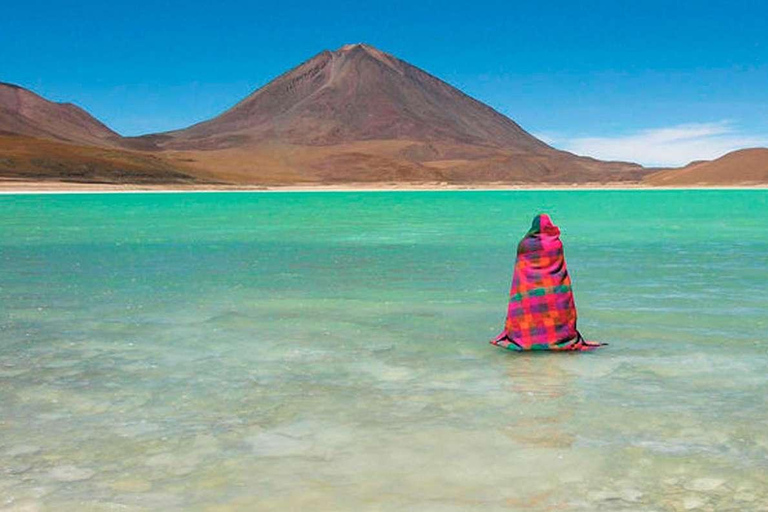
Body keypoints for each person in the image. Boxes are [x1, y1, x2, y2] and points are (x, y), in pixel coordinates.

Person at [491, 213, 604, 352]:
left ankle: (526, 340)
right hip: (553, 292)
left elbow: (521, 271)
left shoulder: (524, 244)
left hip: (528, 291)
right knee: (554, 312)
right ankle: (558, 340)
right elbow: (558, 269)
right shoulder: (555, 243)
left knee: (529, 311)